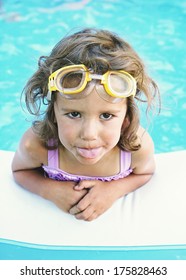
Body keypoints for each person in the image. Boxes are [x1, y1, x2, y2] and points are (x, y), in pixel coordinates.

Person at [12, 28, 160, 221]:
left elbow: (146, 173)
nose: (89, 134)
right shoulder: (36, 145)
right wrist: (49, 190)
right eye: (74, 114)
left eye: (106, 115)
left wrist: (112, 191)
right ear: (54, 112)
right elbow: (19, 170)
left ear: (126, 117)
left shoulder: (136, 148)